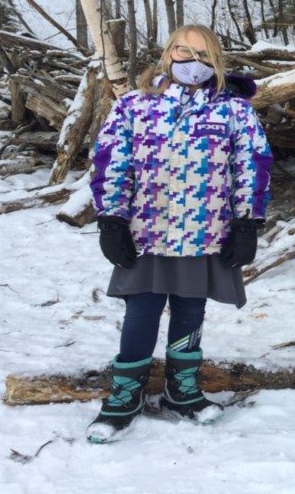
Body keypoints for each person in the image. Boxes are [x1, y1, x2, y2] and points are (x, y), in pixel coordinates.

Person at [86, 24, 273, 443]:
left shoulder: (234, 111)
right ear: (168, 54)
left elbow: (252, 164)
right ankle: (127, 392)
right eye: (183, 51)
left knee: (190, 310)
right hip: (146, 231)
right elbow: (111, 160)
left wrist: (247, 221)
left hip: (204, 232)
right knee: (142, 312)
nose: (192, 62)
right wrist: (111, 217)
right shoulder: (135, 106)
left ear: (217, 62)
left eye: (204, 55)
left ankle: (181, 390)